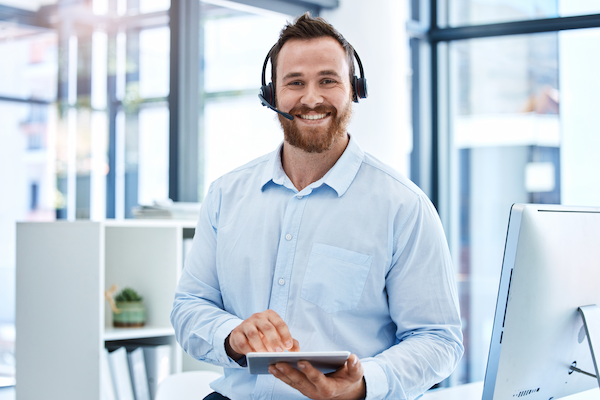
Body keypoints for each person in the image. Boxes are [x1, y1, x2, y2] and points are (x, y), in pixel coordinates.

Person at [171, 12, 463, 400]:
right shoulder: (226, 195)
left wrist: (362, 384)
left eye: (328, 80)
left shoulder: (403, 206)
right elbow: (190, 306)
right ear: (271, 94)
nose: (311, 98)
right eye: (295, 82)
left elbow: (438, 340)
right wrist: (230, 336)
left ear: (354, 89)